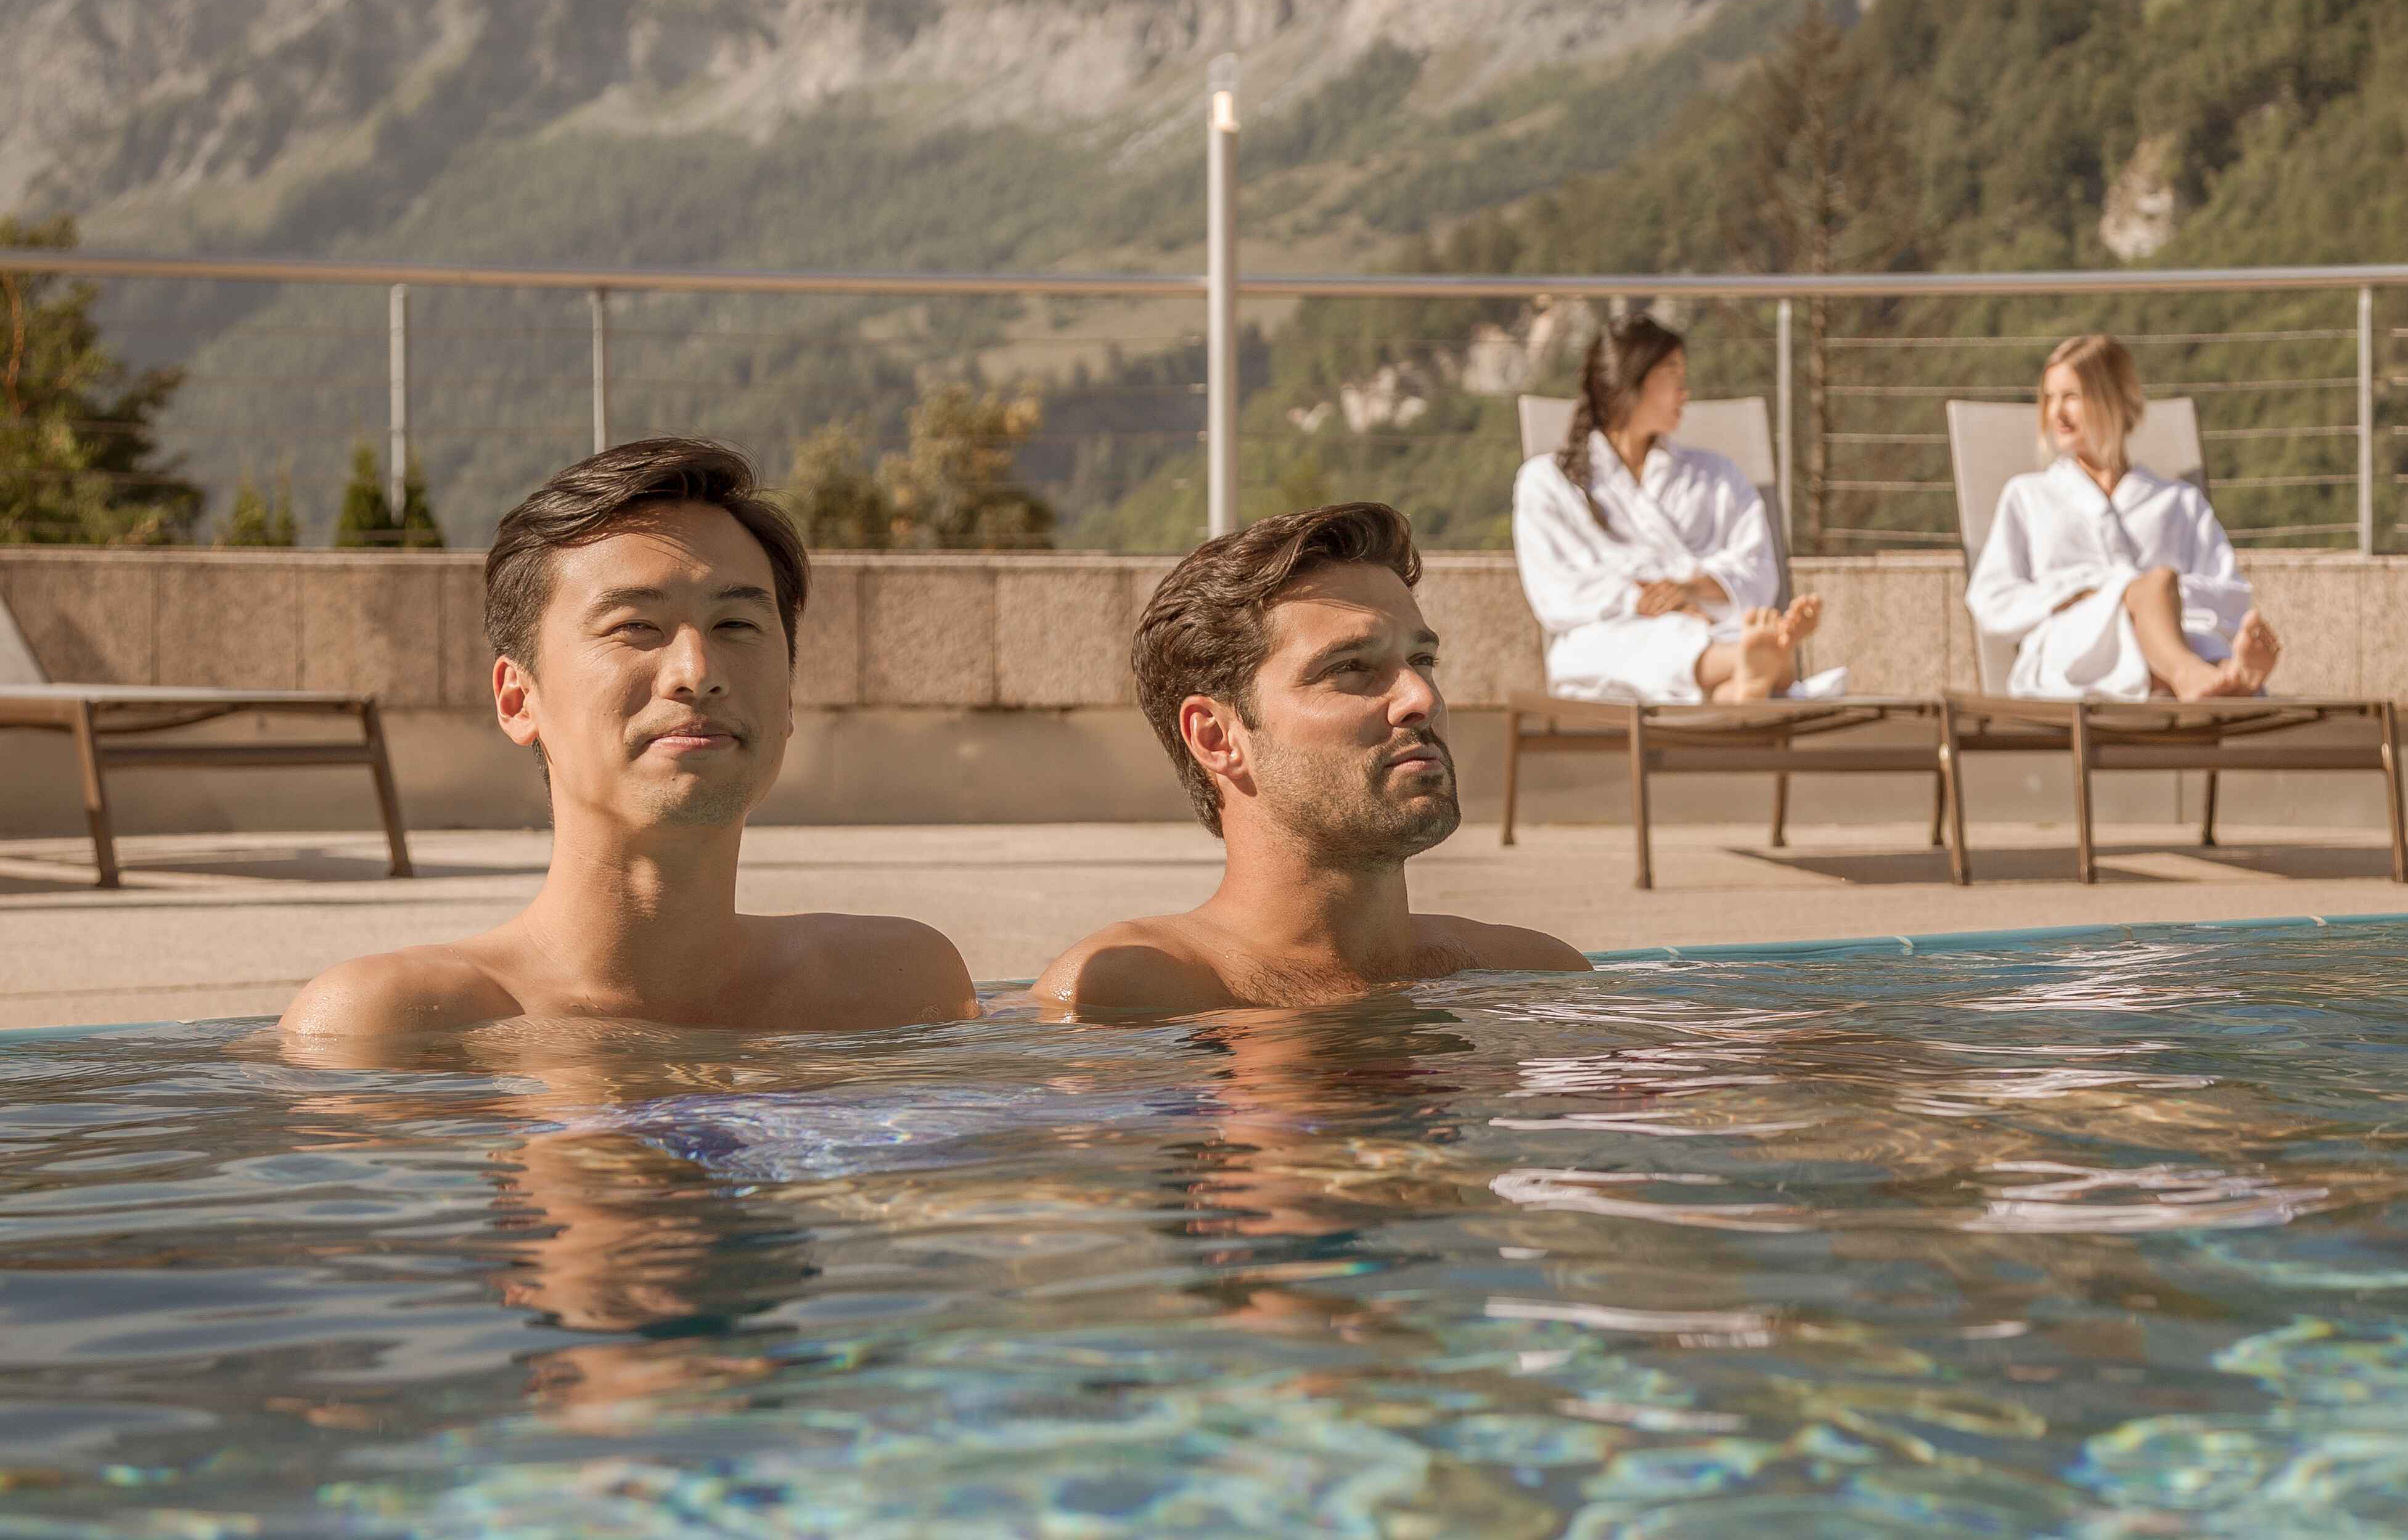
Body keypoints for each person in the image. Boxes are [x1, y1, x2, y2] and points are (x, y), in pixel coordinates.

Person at [282, 438, 977, 1037]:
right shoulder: (392, 1025)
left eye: (736, 626)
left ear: (790, 697)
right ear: (518, 698)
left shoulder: (895, 988)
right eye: (635, 627)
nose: (697, 674)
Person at [1033, 501, 1588, 1018]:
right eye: (1350, 667)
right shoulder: (1125, 995)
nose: (1422, 699)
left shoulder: (1531, 974)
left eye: (1422, 659)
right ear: (1216, 738)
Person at [1512, 314, 1833, 705]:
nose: (1686, 388)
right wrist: (1652, 604)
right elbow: (1557, 590)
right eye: (1672, 371)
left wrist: (1687, 590)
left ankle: (1745, 681)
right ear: (1632, 381)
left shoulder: (1716, 473)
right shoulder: (1547, 481)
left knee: (1699, 648)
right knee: (1629, 646)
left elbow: (1758, 565)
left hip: (1712, 623)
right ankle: (1763, 663)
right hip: (1612, 635)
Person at [1964, 333, 2282, 701]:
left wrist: (2157, 601)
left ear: (2112, 399)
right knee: (2157, 586)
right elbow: (1990, 597)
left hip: (2176, 637)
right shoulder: (2029, 495)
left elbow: (2230, 594)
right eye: (2049, 399)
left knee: (2160, 595)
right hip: (2074, 646)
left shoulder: (2177, 501)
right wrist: (2101, 593)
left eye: (2071, 397)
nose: (2056, 413)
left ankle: (2209, 676)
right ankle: (2217, 676)